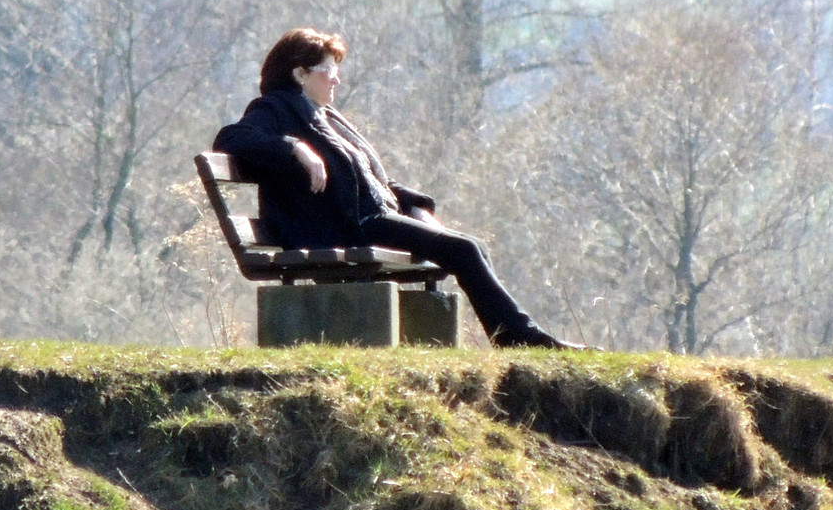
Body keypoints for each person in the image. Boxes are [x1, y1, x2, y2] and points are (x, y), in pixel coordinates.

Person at [213, 27, 588, 350]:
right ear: (300, 73)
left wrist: (417, 206)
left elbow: (369, 178)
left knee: (472, 246)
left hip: (368, 220)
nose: (336, 80)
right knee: (464, 250)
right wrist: (296, 148)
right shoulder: (276, 108)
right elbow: (231, 138)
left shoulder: (327, 116)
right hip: (342, 229)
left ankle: (514, 337)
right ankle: (521, 338)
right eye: (329, 71)